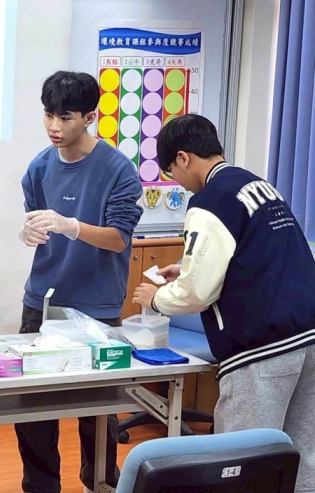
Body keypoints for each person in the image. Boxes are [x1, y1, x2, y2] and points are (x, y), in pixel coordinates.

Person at [133, 114, 315, 493]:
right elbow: (256, 255)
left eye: (171, 172)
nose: (176, 182)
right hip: (308, 336)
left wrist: (158, 299)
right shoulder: (258, 185)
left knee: (241, 463)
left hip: (263, 348)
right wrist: (185, 267)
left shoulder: (210, 200)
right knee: (302, 456)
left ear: (183, 158)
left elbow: (196, 293)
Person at [16, 71, 143, 493]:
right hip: (42, 301)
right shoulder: (38, 168)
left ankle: (101, 482)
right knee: (33, 409)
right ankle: (40, 486)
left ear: (89, 117)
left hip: (96, 306)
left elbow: (119, 238)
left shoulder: (118, 169)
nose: (54, 126)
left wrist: (71, 225)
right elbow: (36, 221)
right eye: (48, 115)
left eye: (65, 117)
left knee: (99, 410)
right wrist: (29, 232)